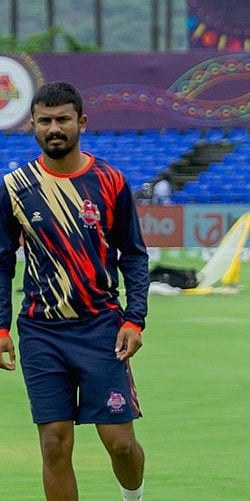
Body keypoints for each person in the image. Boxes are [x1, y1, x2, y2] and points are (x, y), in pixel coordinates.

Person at [0, 81, 149, 501]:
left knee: (120, 443)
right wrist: (1, 327)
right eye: (44, 121)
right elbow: (2, 261)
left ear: (81, 122)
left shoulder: (110, 182)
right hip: (41, 332)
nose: (53, 128)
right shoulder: (15, 187)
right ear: (32, 125)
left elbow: (133, 255)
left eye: (62, 119)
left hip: (101, 327)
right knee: (54, 443)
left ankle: (134, 498)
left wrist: (134, 319)